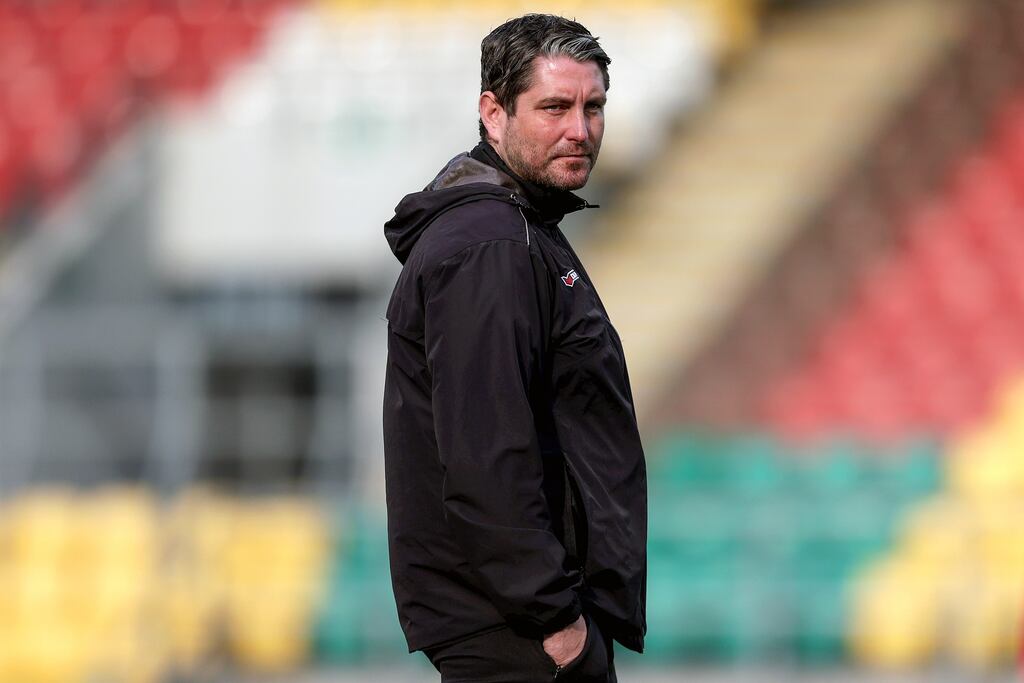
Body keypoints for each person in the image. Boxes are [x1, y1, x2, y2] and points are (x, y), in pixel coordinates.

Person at [382, 14, 647, 682]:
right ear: (492, 112)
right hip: (522, 634)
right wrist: (559, 625)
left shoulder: (517, 228)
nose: (579, 130)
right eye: (554, 107)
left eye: (594, 108)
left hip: (520, 623)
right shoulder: (491, 245)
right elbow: (486, 456)